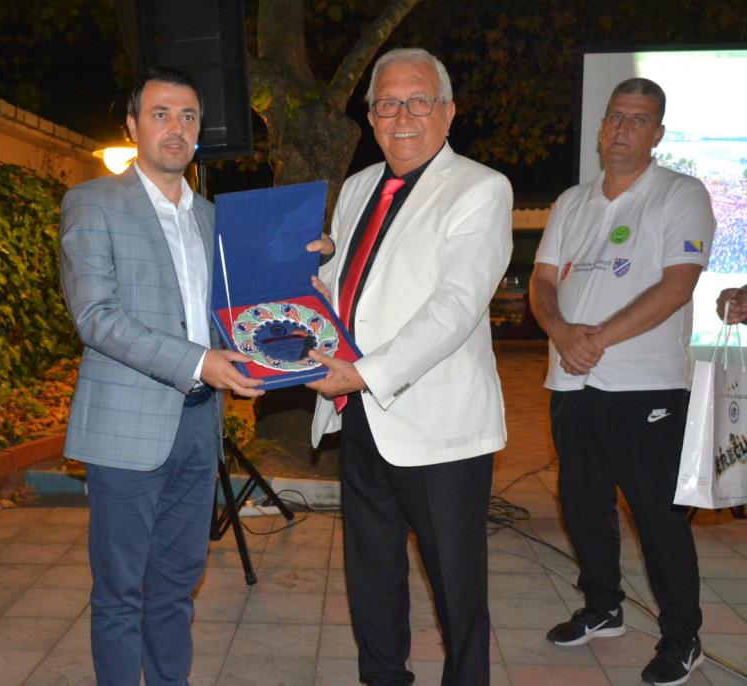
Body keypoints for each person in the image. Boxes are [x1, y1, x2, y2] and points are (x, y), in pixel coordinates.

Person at [306, 48, 513, 686]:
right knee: (371, 570)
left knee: (456, 583)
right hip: (359, 415)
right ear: (370, 117)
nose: (402, 116)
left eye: (418, 101)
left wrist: (365, 373)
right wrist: (309, 267)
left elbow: (454, 307)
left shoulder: (481, 188)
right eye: (387, 104)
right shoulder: (359, 188)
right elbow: (355, 286)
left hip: (437, 421)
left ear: (448, 112)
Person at [58, 66, 262, 685]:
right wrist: (199, 362)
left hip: (200, 424)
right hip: (127, 426)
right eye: (161, 114)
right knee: (120, 590)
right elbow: (96, 318)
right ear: (132, 125)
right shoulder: (92, 202)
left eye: (188, 116)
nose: (176, 128)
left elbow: (238, 312)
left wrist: (304, 265)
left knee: (177, 582)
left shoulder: (213, 218)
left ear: (200, 130)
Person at [529, 77, 715, 686]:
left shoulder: (680, 193)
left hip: (645, 386)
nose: (621, 128)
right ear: (601, 126)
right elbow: (543, 281)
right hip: (570, 381)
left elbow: (677, 286)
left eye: (637, 120)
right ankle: (603, 607)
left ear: (657, 134)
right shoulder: (572, 201)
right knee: (583, 506)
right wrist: (561, 333)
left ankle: (683, 638)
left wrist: (595, 339)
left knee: (657, 518)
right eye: (614, 116)